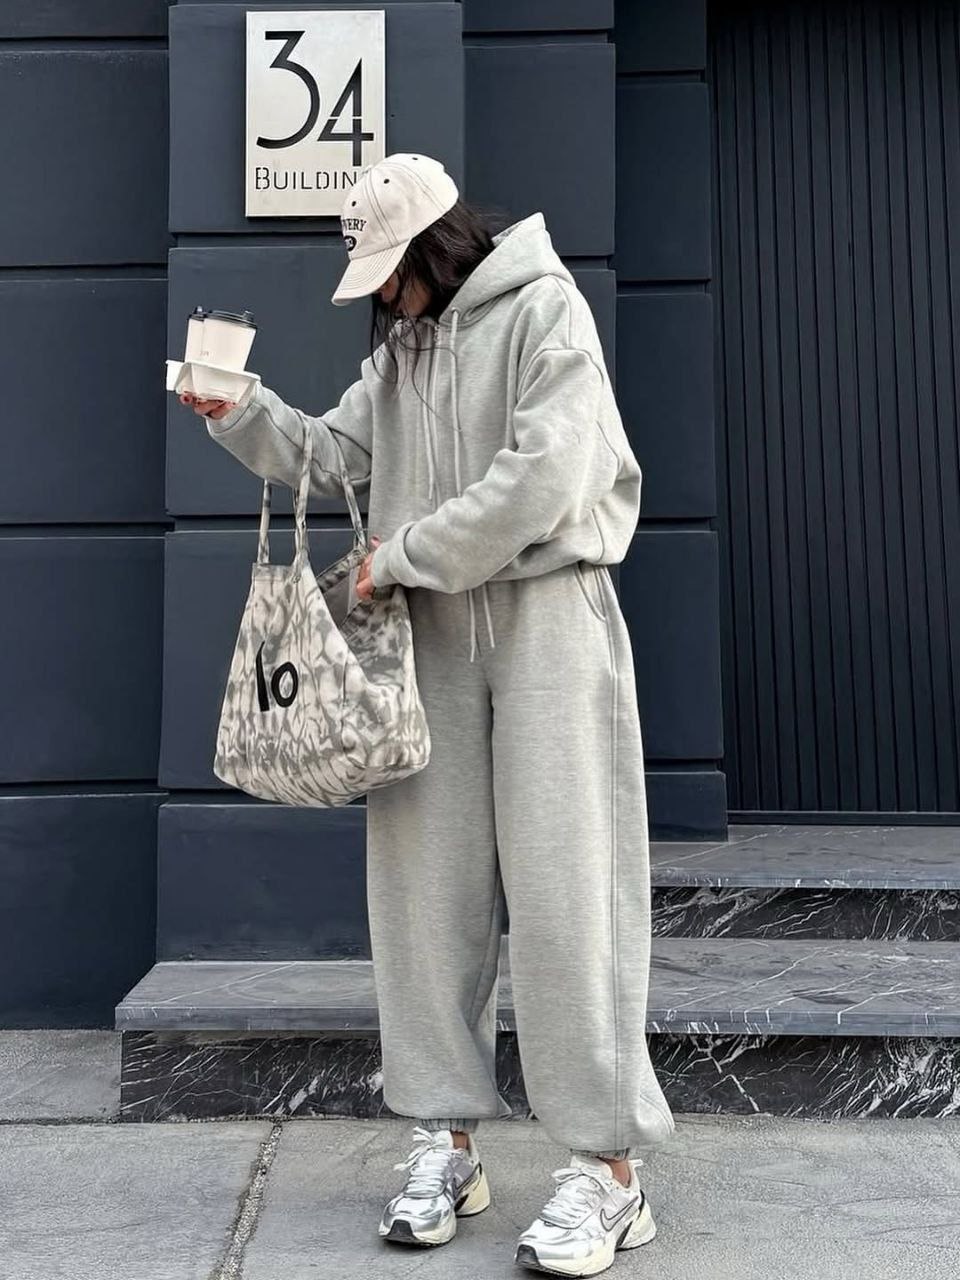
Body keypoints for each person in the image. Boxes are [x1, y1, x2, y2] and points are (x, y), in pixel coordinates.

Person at [183, 152, 675, 1278]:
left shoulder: (546, 312)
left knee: (571, 892)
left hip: (550, 619)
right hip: (429, 641)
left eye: (390, 275)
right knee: (423, 894)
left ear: (434, 247)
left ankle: (610, 1171)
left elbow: (545, 478)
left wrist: (402, 552)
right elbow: (333, 455)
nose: (386, 300)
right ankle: (445, 1142)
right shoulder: (403, 350)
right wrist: (239, 410)